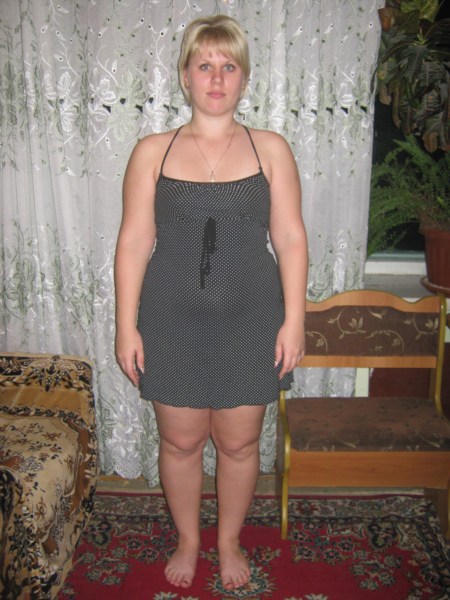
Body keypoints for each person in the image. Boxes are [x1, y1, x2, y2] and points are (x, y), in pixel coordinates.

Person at [114, 14, 308, 591]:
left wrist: (295, 321)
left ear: (244, 78)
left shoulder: (271, 149)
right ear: (185, 76)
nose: (217, 78)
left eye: (228, 66)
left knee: (240, 442)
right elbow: (133, 242)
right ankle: (188, 539)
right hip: (170, 317)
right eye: (205, 65)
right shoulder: (152, 151)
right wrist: (125, 326)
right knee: (180, 441)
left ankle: (227, 542)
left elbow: (291, 238)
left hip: (251, 318)